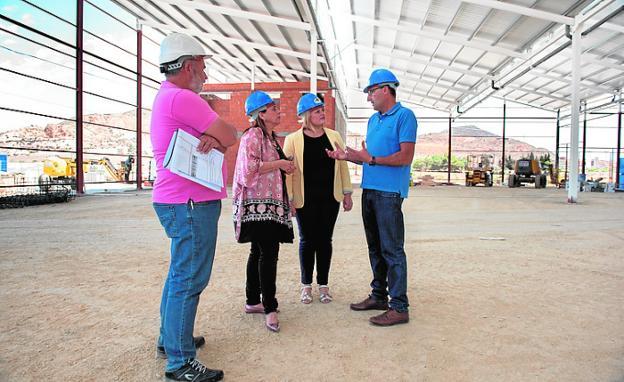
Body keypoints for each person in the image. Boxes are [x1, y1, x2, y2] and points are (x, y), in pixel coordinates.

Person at [151, 32, 237, 382]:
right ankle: (180, 362)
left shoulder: (167, 96)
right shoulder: (184, 98)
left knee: (179, 274)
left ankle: (171, 339)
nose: (205, 74)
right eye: (202, 67)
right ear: (187, 66)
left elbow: (225, 135)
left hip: (177, 200)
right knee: (189, 279)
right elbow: (232, 135)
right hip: (189, 202)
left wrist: (215, 136)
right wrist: (219, 136)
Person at [326, 68, 417, 326]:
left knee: (392, 250)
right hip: (370, 191)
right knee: (375, 248)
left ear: (385, 90)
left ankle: (399, 306)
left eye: (371, 92)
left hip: (389, 195)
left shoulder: (405, 116)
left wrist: (372, 159)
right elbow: (368, 157)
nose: (368, 98)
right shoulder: (373, 120)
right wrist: (348, 156)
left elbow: (405, 157)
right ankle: (379, 295)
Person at [232, 91, 295, 333]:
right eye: (273, 108)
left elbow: (269, 168)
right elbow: (249, 170)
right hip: (259, 205)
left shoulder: (270, 137)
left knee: (258, 251)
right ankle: (269, 308)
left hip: (269, 205)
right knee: (268, 254)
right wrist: (280, 164)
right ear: (261, 113)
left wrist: (284, 164)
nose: (278, 111)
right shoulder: (253, 135)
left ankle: (253, 301)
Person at [283, 93, 352, 305]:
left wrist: (347, 192)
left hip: (330, 198)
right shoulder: (292, 139)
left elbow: (342, 164)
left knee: (325, 240)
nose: (322, 113)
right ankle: (306, 286)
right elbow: (287, 172)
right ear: (306, 115)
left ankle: (323, 285)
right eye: (317, 111)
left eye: (322, 110)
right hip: (305, 199)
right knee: (306, 240)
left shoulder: (334, 136)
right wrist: (290, 199)